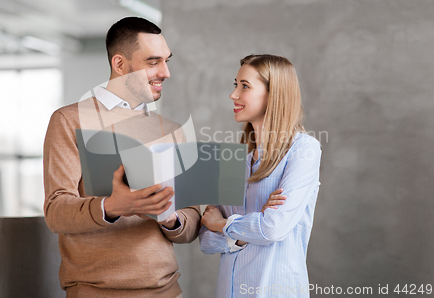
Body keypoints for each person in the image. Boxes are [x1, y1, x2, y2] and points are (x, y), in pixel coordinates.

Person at [43, 17, 201, 298]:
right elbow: (56, 212)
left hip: (167, 292)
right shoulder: (69, 120)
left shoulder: (171, 130)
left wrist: (169, 217)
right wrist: (112, 207)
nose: (165, 72)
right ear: (119, 65)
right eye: (153, 62)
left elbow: (190, 225)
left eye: (167, 60)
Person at [199, 54, 322, 298]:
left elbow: (273, 228)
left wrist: (222, 225)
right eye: (236, 85)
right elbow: (205, 240)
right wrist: (242, 233)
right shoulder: (233, 161)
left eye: (244, 86)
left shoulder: (303, 149)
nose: (234, 95)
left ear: (273, 94)